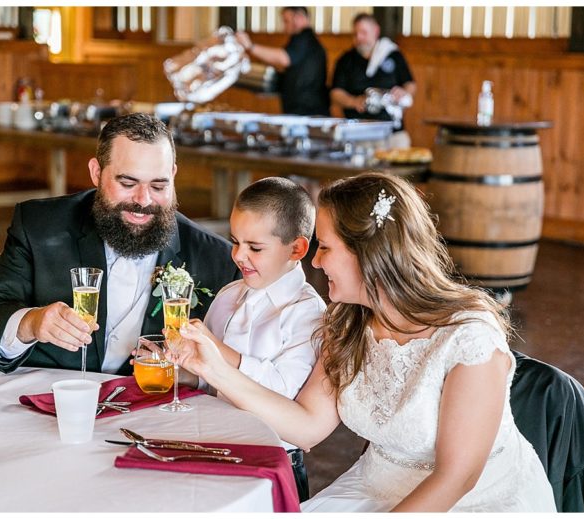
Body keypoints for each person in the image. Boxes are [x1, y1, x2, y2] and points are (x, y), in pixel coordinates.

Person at [174, 172, 557, 512]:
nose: (317, 263)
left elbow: (457, 477)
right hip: (372, 489)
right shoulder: (346, 321)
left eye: (324, 247)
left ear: (368, 254)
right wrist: (215, 370)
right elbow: (307, 427)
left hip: (469, 502)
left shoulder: (468, 337)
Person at [0, 113, 240, 375]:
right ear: (96, 172)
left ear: (173, 175)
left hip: (156, 414)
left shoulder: (217, 259)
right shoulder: (39, 226)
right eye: (128, 183)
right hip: (47, 406)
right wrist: (31, 323)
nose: (143, 200)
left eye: (158, 186)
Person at [188, 176, 326, 502]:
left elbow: (283, 395)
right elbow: (205, 383)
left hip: (274, 466)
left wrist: (218, 353)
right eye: (235, 241)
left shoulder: (308, 314)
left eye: (255, 247)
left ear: (297, 248)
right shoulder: (226, 297)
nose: (238, 255)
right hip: (213, 449)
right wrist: (179, 363)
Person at [331, 13, 416, 145]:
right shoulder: (346, 60)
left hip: (392, 132)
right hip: (358, 133)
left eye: (363, 33)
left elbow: (410, 83)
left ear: (376, 31)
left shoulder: (393, 55)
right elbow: (335, 93)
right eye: (355, 34)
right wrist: (353, 101)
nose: (359, 37)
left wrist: (403, 93)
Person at [236, 7, 330, 116]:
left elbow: (283, 58)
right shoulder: (302, 41)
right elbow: (296, 77)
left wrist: (250, 46)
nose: (284, 27)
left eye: (286, 21)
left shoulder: (304, 38)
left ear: (299, 17)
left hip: (308, 113)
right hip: (300, 111)